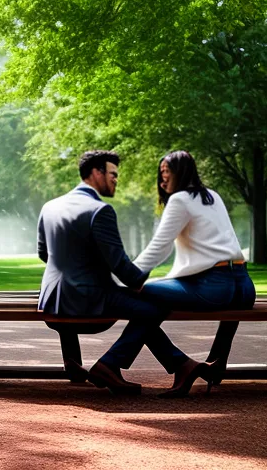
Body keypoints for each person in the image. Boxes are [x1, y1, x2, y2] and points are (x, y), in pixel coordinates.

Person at [37, 150, 205, 395]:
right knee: (154, 308)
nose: (117, 179)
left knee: (144, 308)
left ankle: (182, 365)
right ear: (97, 173)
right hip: (88, 299)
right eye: (113, 174)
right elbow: (119, 264)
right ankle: (109, 365)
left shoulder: (50, 206)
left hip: (51, 298)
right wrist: (140, 282)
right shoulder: (100, 210)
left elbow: (44, 253)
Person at [130, 150, 257, 396]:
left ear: (181, 172)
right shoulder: (212, 196)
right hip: (244, 285)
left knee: (135, 298)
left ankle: (181, 364)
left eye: (166, 173)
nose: (162, 180)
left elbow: (159, 248)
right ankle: (216, 364)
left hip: (213, 287)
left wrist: (126, 277)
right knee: (151, 295)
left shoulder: (179, 200)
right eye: (161, 174)